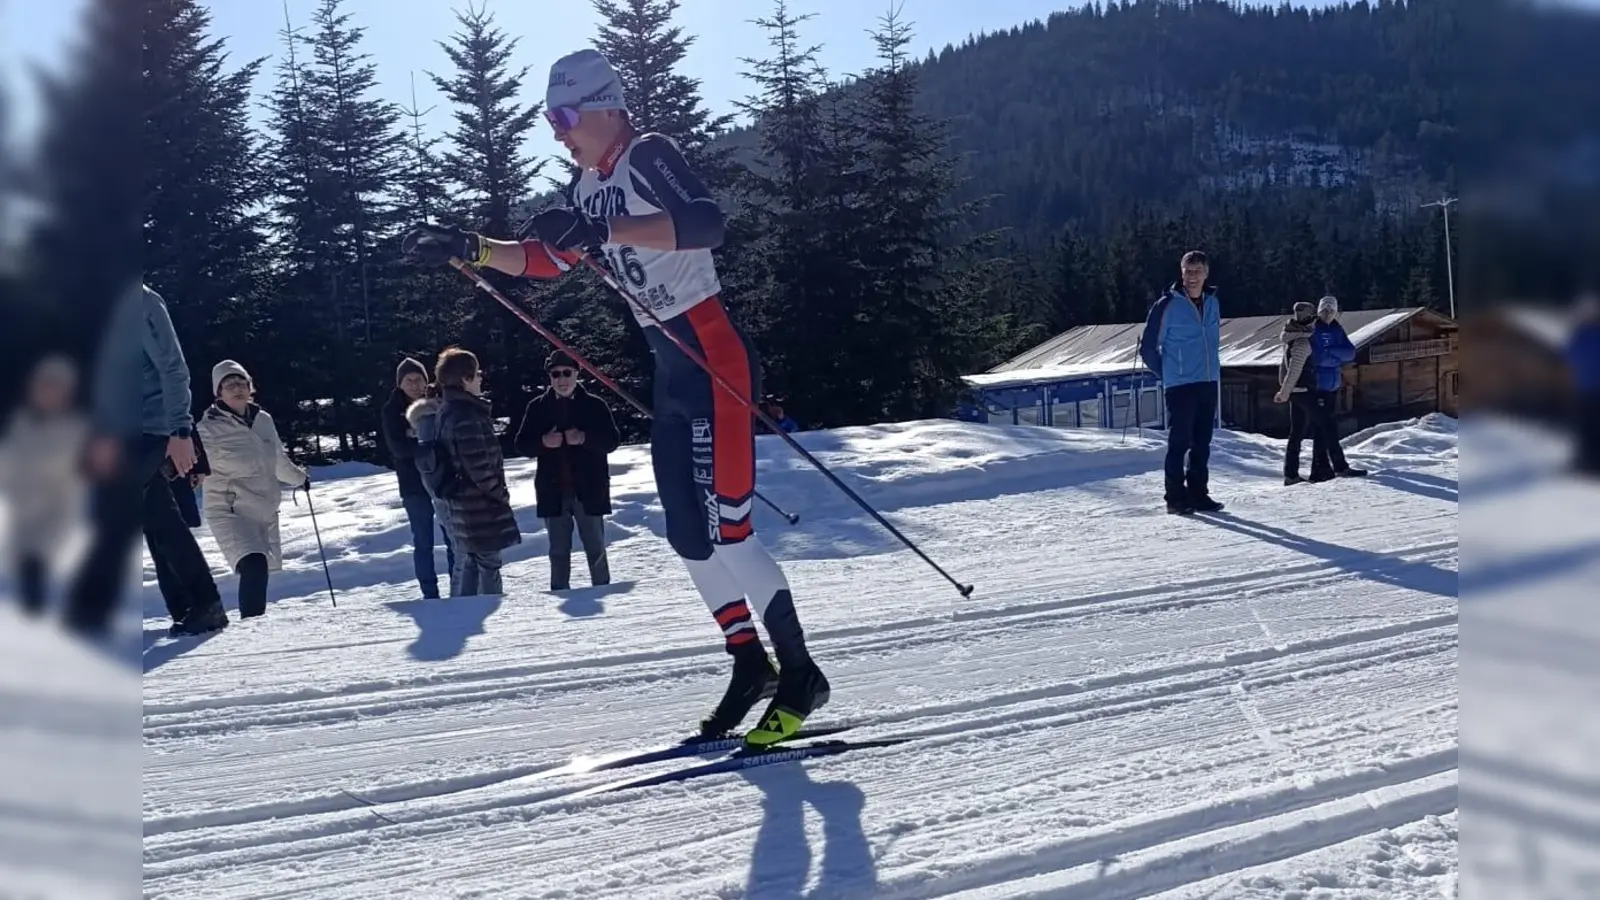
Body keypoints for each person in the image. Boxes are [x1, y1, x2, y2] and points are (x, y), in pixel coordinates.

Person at [400, 48, 829, 748]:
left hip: (713, 358)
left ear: (605, 106)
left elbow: (704, 222)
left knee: (731, 531)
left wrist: (603, 230)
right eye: (548, 118)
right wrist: (469, 246)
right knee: (688, 536)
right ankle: (749, 663)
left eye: (564, 116)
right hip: (670, 371)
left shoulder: (647, 153)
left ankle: (802, 674)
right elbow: (544, 260)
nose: (557, 130)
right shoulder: (586, 187)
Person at [65, 283, 228, 638]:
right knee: (153, 512)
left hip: (152, 424)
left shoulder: (140, 301)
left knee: (149, 511)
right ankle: (190, 605)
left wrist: (181, 432)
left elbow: (173, 367)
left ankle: (204, 602)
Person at [196, 360, 309, 619]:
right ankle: (252, 625)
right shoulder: (207, 429)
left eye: (241, 383)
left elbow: (277, 460)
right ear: (219, 392)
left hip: (263, 508)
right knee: (254, 564)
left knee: (260, 567)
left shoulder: (263, 420)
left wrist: (299, 478)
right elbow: (193, 466)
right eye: (229, 384)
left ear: (250, 388)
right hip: (229, 509)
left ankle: (254, 622)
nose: (237, 388)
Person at [514, 350, 620, 592]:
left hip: (589, 489)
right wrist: (543, 442)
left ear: (577, 374)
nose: (561, 380)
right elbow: (520, 444)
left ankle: (604, 591)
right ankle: (559, 593)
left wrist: (583, 438)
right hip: (554, 490)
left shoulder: (595, 405)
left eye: (567, 373)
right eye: (555, 374)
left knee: (596, 547)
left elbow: (611, 441)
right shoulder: (537, 407)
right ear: (549, 377)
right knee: (558, 551)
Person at [0, 355, 89, 614]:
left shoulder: (74, 426)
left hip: (58, 505)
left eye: (57, 388)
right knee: (23, 550)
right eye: (45, 387)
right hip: (23, 503)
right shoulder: (22, 422)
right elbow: (10, 458)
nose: (49, 395)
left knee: (39, 552)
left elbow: (70, 470)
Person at [1139, 250, 1224, 515]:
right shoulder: (1167, 305)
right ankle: (1175, 498)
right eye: (1188, 271)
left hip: (1208, 381)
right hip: (1180, 385)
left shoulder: (1212, 302)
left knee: (1202, 442)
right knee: (1180, 443)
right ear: (1181, 273)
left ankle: (1198, 494)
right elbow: (1149, 348)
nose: (1192, 277)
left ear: (1206, 274)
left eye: (1197, 271)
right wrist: (1168, 374)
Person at [433, 348, 521, 596]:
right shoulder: (466, 414)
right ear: (464, 378)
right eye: (477, 373)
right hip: (479, 505)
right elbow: (478, 465)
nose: (481, 378)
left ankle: (467, 611)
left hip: (463, 503)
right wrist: (498, 493)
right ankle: (489, 609)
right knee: (488, 562)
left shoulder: (448, 409)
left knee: (471, 561)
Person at [382, 357, 455, 598]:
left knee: (452, 536)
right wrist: (424, 446)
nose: (414, 385)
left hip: (442, 480)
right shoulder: (392, 410)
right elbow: (398, 448)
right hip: (413, 484)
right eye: (409, 380)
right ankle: (429, 592)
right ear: (400, 383)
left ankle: (459, 584)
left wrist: (418, 440)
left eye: (418, 379)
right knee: (423, 540)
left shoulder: (439, 402)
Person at [404, 383, 464, 594]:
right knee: (459, 549)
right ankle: (459, 595)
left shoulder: (430, 419)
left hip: (440, 489)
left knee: (457, 547)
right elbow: (434, 461)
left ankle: (460, 592)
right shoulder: (430, 420)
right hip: (444, 489)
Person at [1309, 296, 1368, 478]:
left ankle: (1321, 469)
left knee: (1322, 429)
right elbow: (1318, 357)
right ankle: (1337, 466)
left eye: (1331, 311)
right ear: (1319, 311)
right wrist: (1336, 355)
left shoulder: (1337, 328)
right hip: (1318, 385)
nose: (1328, 314)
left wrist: (1332, 352)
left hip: (1333, 384)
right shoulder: (1314, 329)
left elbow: (1350, 352)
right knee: (1327, 428)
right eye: (1325, 310)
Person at [1274, 302, 1321, 484]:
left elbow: (1283, 368)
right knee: (1325, 425)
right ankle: (1322, 469)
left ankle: (1291, 473)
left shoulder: (1291, 337)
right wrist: (1284, 392)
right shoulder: (1302, 341)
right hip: (1304, 390)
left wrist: (1285, 389)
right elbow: (1294, 370)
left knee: (1297, 432)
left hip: (1296, 392)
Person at [1569, 296, 1600, 476]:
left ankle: (1586, 461)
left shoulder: (1579, 334)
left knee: (1585, 426)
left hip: (1585, 388)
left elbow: (1568, 355)